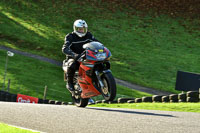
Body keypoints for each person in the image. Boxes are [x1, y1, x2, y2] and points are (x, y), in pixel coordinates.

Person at [62, 19, 99, 96]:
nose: (82, 31)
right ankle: (69, 83)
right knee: (72, 65)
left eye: (83, 29)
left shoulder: (88, 35)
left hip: (87, 57)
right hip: (74, 57)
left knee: (98, 63)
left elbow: (97, 43)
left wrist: (101, 48)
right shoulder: (70, 37)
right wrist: (74, 55)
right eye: (80, 29)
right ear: (75, 28)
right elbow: (65, 48)